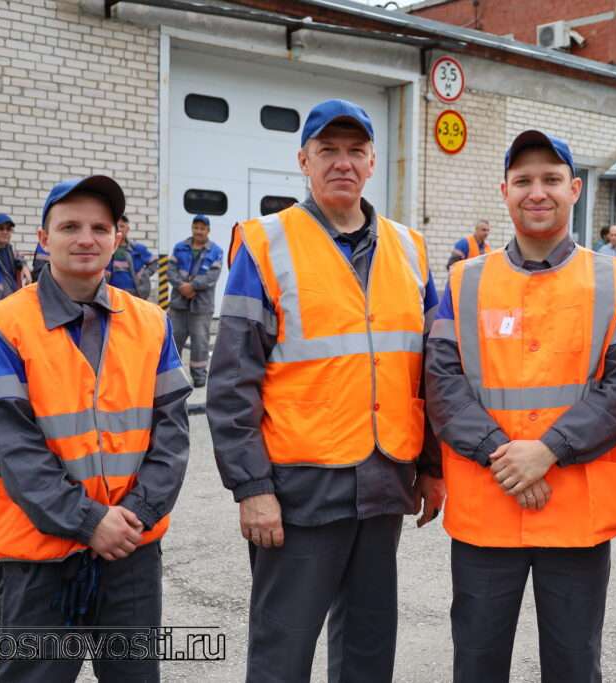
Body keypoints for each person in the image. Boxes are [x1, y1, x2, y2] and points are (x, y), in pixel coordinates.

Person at [206, 99, 444, 683]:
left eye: (356, 151)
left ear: (372, 164)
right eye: (328, 151)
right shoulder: (265, 243)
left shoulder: (409, 249)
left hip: (385, 479)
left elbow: (433, 370)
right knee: (282, 653)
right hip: (299, 487)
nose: (343, 162)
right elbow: (233, 381)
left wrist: (433, 467)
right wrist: (252, 487)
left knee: (368, 652)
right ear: (303, 161)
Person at [426, 130, 616, 683]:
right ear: (504, 191)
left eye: (551, 179)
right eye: (524, 180)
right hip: (488, 510)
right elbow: (442, 384)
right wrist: (507, 457)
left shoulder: (615, 279)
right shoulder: (464, 282)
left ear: (574, 189)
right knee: (476, 664)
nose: (537, 191)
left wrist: (548, 451)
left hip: (576, 515)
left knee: (574, 665)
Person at [0, 175, 191, 682]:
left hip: (131, 553)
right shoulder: (4, 327)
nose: (86, 238)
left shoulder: (151, 323)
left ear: (118, 237)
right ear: (44, 238)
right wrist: (88, 521)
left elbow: (173, 434)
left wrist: (132, 517)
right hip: (41, 558)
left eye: (100, 226)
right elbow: (15, 450)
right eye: (70, 226)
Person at [169, 214, 223, 388]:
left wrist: (192, 286)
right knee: (173, 341)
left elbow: (212, 276)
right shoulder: (179, 248)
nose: (198, 231)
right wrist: (182, 287)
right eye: (196, 227)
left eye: (202, 228)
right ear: (192, 228)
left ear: (208, 230)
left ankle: (199, 377)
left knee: (200, 343)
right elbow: (171, 272)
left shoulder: (216, 251)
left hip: (201, 306)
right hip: (179, 305)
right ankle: (170, 376)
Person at [106, 214, 157, 298]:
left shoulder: (137, 249)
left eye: (122, 226)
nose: (119, 229)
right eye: (116, 226)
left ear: (127, 229)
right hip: (112, 295)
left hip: (134, 294)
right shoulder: (106, 249)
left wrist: (144, 274)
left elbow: (154, 262)